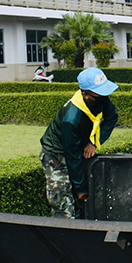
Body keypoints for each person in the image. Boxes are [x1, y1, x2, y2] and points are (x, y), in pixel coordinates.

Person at [39, 67, 119, 218]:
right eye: (99, 94)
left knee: (80, 198)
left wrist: (93, 142)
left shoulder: (100, 99)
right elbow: (72, 156)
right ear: (85, 94)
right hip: (56, 154)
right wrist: (80, 189)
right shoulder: (71, 119)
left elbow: (112, 118)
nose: (105, 97)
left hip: (76, 146)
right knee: (62, 202)